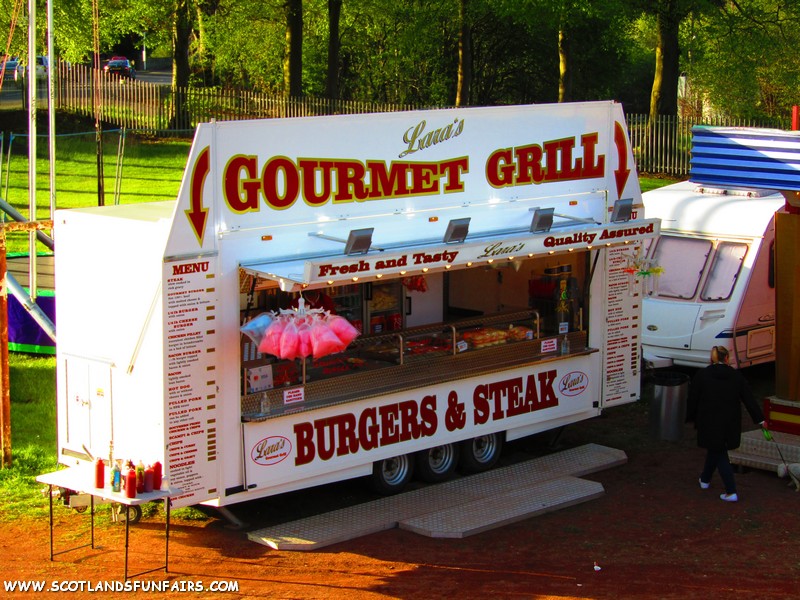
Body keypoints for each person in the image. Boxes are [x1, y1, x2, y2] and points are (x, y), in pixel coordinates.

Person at [686, 345, 766, 502]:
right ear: (727, 358)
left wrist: (688, 417)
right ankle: (705, 479)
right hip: (730, 422)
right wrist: (760, 419)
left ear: (711, 359)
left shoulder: (702, 375)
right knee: (716, 449)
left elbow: (693, 399)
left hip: (708, 421)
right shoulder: (736, 376)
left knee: (717, 451)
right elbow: (748, 399)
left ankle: (731, 491)